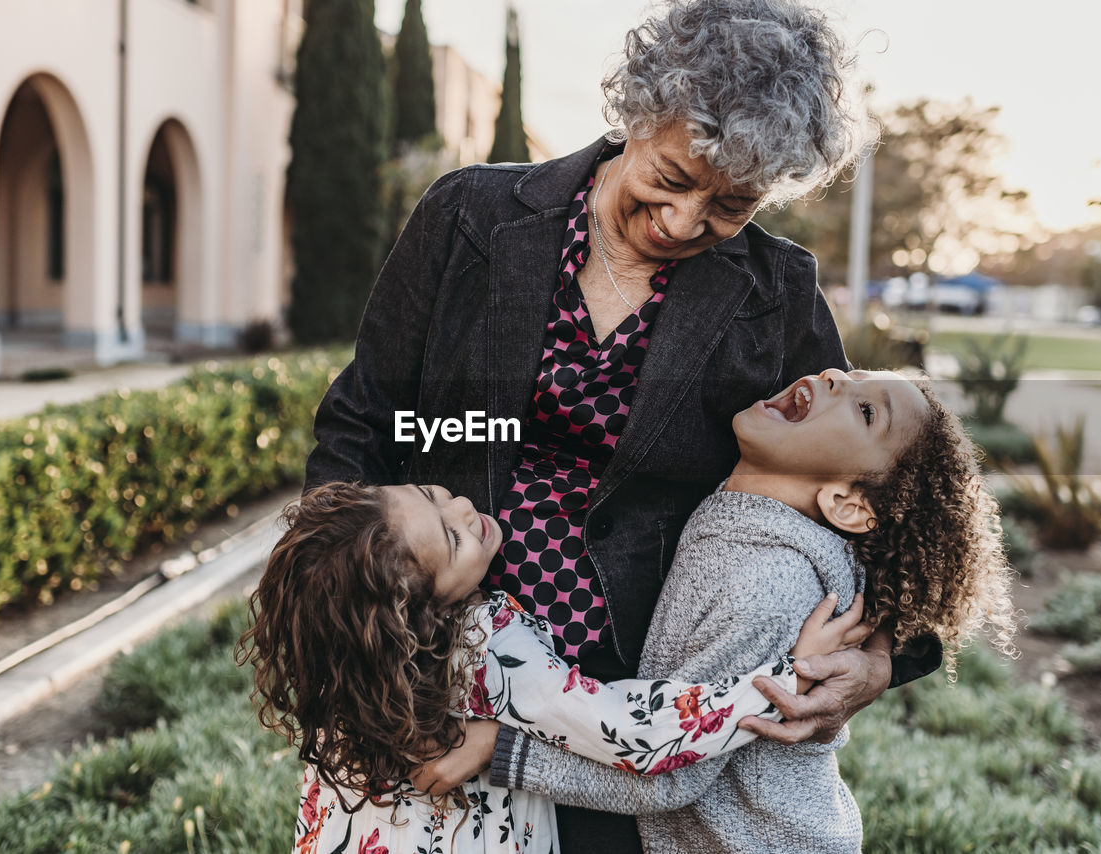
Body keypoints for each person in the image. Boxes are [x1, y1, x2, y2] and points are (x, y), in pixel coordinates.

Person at [303, 0, 940, 848]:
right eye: (673, 179)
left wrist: (883, 659)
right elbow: (365, 422)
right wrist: (335, 609)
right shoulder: (471, 217)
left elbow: (896, 497)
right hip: (426, 663)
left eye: (733, 205)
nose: (684, 223)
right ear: (636, 116)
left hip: (629, 720)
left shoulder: (775, 294)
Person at [239, 479, 869, 854]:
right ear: (418, 611)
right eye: (451, 538)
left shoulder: (345, 681)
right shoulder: (489, 648)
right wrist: (789, 677)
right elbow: (639, 735)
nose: (462, 507)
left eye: (433, 493)